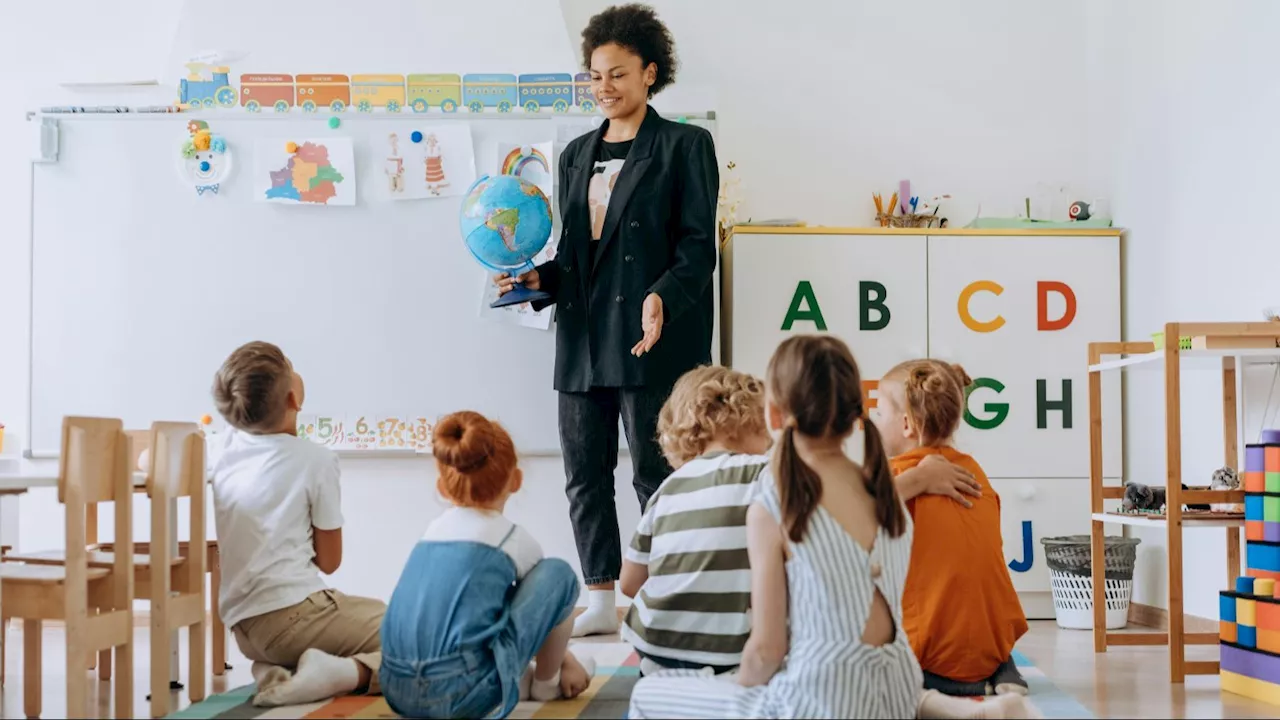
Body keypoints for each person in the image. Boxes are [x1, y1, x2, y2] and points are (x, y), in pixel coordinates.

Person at [627, 336, 1038, 720]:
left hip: (823, 701)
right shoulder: (883, 488)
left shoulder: (774, 502)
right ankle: (958, 711)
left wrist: (739, 689)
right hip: (898, 686)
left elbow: (767, 652)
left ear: (773, 414)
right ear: (855, 412)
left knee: (649, 694)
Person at [495, 3, 719, 637]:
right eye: (595, 75)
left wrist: (663, 295)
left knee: (658, 473)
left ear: (650, 73)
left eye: (617, 74)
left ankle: (665, 595)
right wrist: (537, 279)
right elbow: (575, 256)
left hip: (653, 340)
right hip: (582, 338)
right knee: (584, 470)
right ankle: (600, 597)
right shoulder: (574, 155)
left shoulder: (684, 146)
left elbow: (698, 246)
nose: (604, 87)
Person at [379, 411, 596, 718]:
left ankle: (522, 677)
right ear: (516, 480)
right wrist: (564, 659)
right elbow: (538, 612)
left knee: (488, 598)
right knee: (558, 575)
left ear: (443, 487)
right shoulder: (513, 539)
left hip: (394, 687)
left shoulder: (429, 535)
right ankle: (547, 683)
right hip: (459, 696)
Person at [208, 341, 382, 708]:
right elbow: (330, 561)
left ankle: (272, 670)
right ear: (293, 399)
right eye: (290, 364)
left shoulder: (222, 450)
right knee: (414, 632)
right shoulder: (315, 460)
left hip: (244, 630)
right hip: (294, 617)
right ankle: (343, 673)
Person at [874, 359, 1030, 696]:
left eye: (879, 414)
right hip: (989, 650)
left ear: (906, 425)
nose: (876, 423)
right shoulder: (974, 471)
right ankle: (1003, 666)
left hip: (928, 660)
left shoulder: (891, 476)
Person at [619, 365, 772, 676]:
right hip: (731, 653)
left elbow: (629, 582)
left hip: (655, 649)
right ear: (740, 420)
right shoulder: (763, 471)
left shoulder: (667, 490)